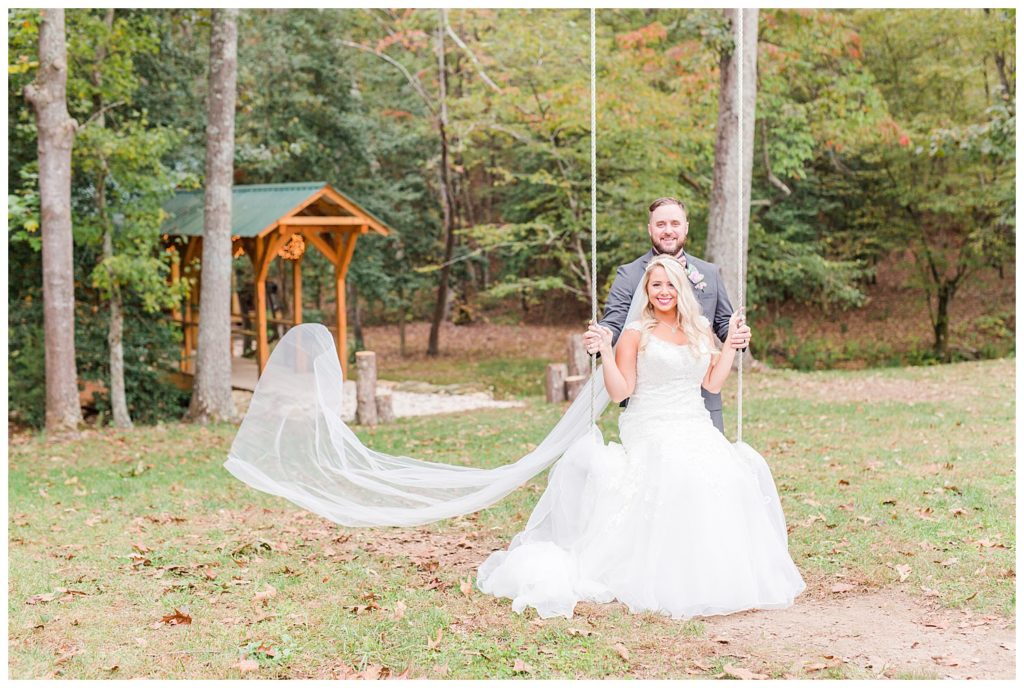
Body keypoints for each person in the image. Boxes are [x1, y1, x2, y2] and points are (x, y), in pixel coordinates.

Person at [476, 255, 805, 620]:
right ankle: (669, 579)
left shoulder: (698, 328)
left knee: (727, 473)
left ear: (681, 287)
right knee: (675, 470)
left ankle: (716, 575)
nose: (664, 292)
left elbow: (711, 383)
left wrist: (729, 347)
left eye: (669, 284)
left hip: (693, 420)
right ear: (646, 292)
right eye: (656, 285)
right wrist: (605, 352)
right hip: (650, 423)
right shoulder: (635, 333)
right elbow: (620, 393)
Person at [583, 197, 750, 433]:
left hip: (700, 402)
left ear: (686, 227)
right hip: (653, 410)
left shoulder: (709, 273)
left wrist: (737, 336)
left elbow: (723, 321)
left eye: (675, 223)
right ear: (650, 228)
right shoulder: (629, 274)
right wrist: (601, 338)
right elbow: (614, 320)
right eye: (661, 224)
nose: (668, 230)